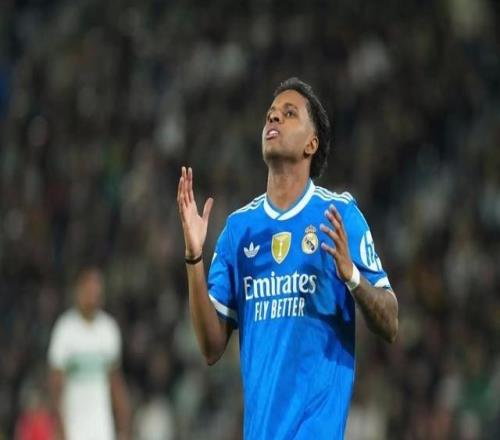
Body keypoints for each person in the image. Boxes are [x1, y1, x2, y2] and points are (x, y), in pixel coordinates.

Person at [177, 77, 399, 439]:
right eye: (271, 113)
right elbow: (211, 347)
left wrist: (352, 277)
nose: (274, 118)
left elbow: (390, 322)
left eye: (289, 113)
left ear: (312, 143)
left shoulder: (339, 215)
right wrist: (193, 258)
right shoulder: (239, 230)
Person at [47, 267, 130, 440]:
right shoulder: (65, 329)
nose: (93, 294)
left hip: (102, 426)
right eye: (89, 288)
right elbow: (55, 385)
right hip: (73, 427)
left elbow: (115, 382)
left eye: (97, 289)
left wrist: (124, 427)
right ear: (78, 291)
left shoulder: (108, 329)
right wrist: (59, 427)